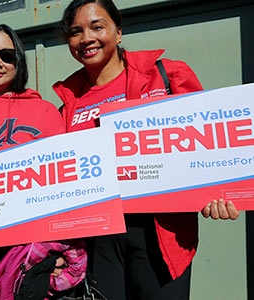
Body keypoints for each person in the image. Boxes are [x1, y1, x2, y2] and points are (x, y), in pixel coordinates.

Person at [52, 1, 240, 299]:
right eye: (76, 32)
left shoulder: (165, 76)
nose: (86, 38)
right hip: (99, 241)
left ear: (119, 31)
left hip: (159, 236)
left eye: (97, 27)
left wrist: (219, 192)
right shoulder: (67, 105)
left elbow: (208, 146)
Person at [0, 24, 81, 300]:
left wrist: (64, 250)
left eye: (7, 56)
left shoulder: (44, 112)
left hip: (30, 252)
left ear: (18, 61)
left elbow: (64, 183)